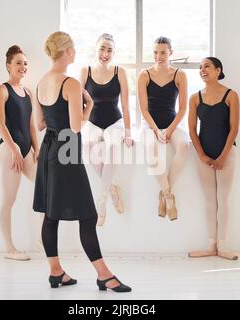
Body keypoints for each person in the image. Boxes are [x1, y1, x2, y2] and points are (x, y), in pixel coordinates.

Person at [33, 31, 131, 292]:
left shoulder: (41, 82)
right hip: (67, 149)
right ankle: (104, 275)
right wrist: (87, 104)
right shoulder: (71, 84)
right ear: (66, 52)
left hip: (49, 149)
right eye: (73, 49)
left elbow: (41, 124)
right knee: (88, 215)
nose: (75, 53)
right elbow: (77, 126)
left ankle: (56, 272)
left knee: (50, 216)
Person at [79, 33, 134, 226]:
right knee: (86, 145)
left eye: (109, 50)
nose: (105, 53)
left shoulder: (120, 72)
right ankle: (111, 188)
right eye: (102, 48)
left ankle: (101, 205)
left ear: (113, 52)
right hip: (93, 121)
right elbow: (79, 104)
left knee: (112, 148)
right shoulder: (85, 71)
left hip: (114, 121)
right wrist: (77, 126)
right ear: (96, 49)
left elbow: (126, 105)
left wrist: (128, 133)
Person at [188, 57, 240, 260]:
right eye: (200, 67)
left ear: (218, 70)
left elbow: (234, 128)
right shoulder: (195, 98)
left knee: (223, 199)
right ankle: (211, 245)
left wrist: (223, 156)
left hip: (227, 152)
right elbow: (192, 130)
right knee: (210, 200)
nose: (202, 70)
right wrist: (201, 154)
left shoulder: (231, 95)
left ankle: (223, 245)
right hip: (204, 155)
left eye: (207, 66)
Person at [0, 45, 39, 261]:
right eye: (19, 62)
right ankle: (10, 249)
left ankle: (41, 240)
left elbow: (31, 125)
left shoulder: (28, 92)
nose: (23, 66)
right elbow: (1, 124)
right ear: (9, 66)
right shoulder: (1, 90)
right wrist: (15, 150)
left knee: (46, 188)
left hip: (26, 149)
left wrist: (36, 149)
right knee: (9, 200)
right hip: (9, 148)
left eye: (25, 63)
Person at [137, 36, 189, 220]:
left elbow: (183, 108)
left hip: (171, 123)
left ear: (170, 53)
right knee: (151, 149)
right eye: (156, 52)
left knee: (184, 146)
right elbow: (143, 108)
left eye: (163, 53)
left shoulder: (179, 75)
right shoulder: (144, 75)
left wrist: (169, 130)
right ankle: (168, 195)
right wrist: (156, 130)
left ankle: (164, 193)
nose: (159, 56)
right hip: (149, 125)